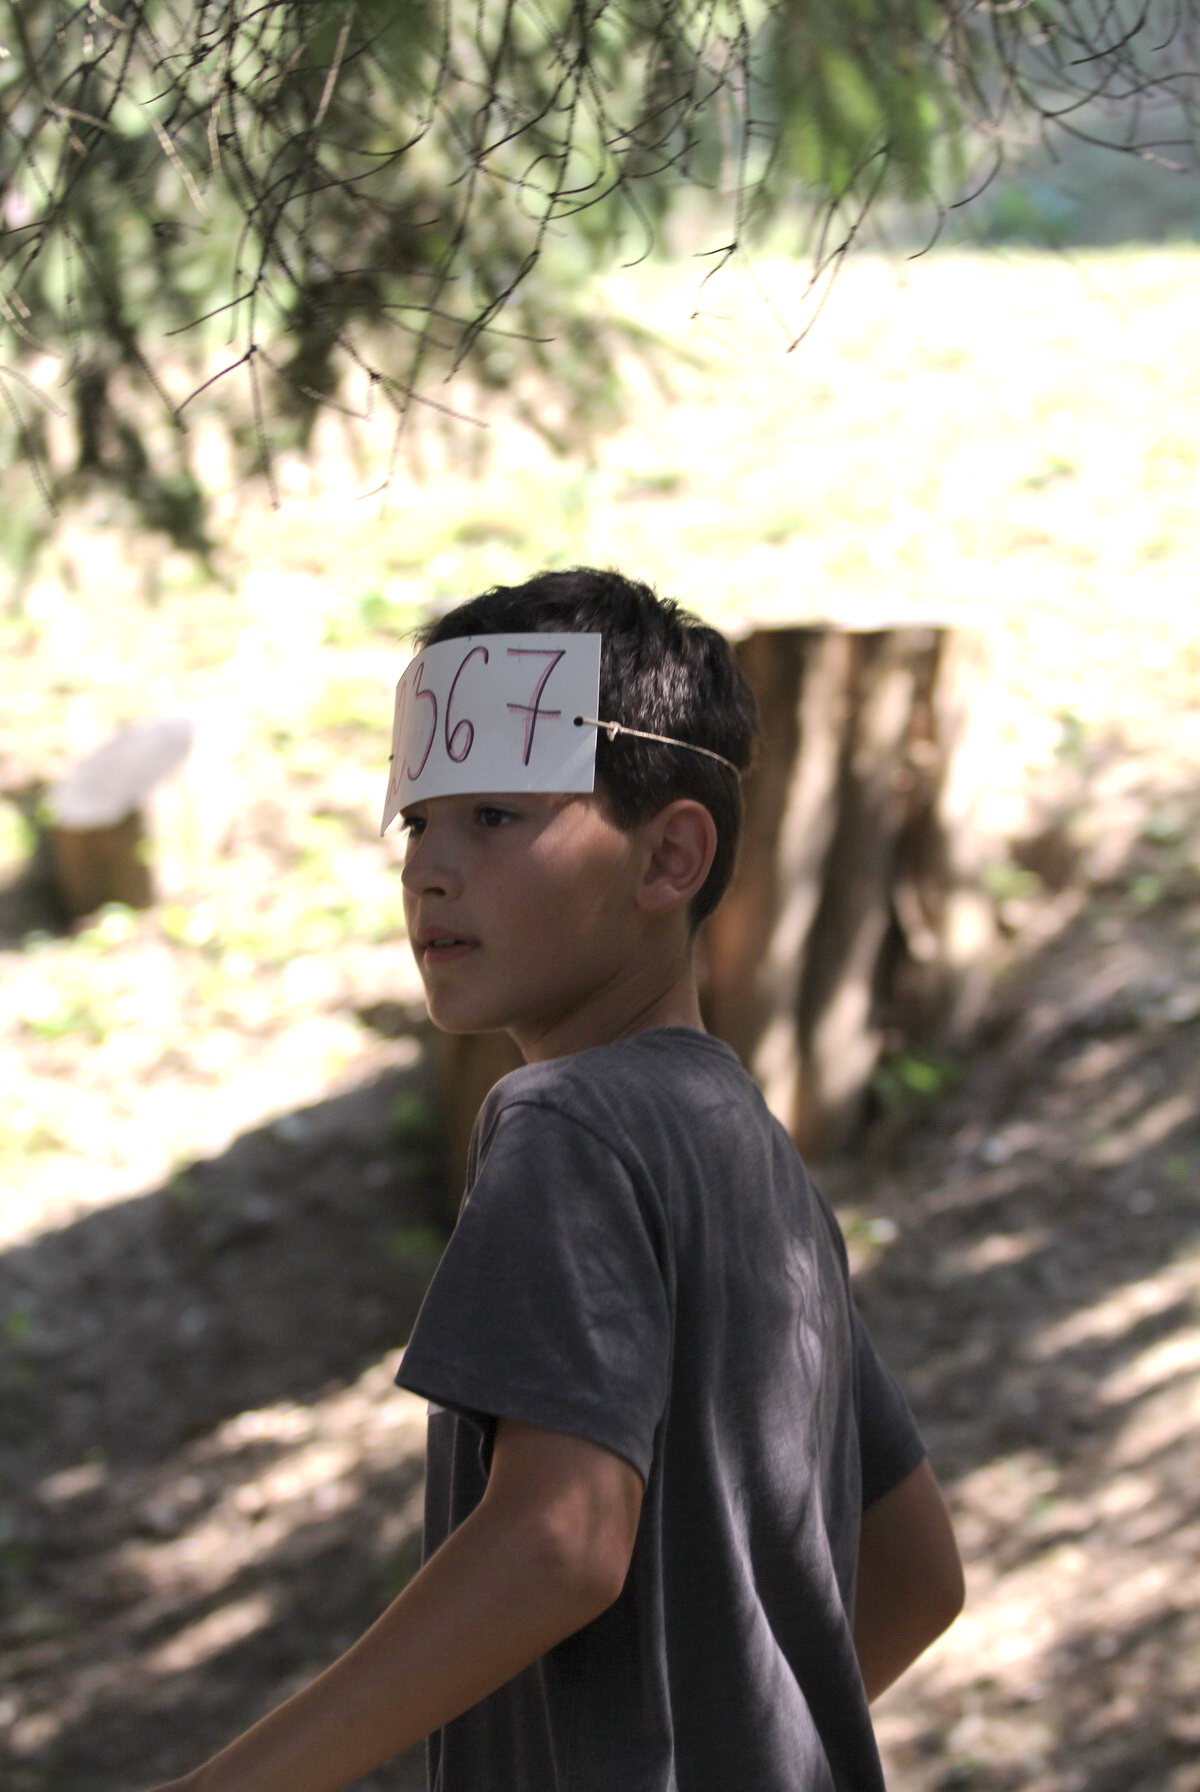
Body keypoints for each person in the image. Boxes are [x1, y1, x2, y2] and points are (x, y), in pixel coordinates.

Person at [148, 567, 963, 1792]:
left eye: (494, 814)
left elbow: (563, 1540)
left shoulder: (566, 1122)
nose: (430, 868)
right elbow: (917, 1571)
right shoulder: (747, 1150)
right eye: (418, 821)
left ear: (669, 855)